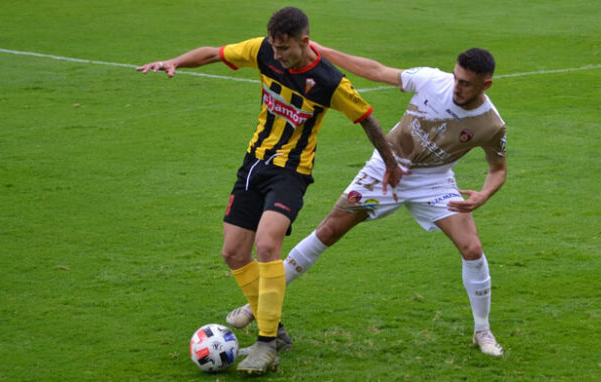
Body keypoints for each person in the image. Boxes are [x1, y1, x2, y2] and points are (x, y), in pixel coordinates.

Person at [136, 7, 403, 374]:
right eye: (274, 47)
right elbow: (215, 53)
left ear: (304, 42)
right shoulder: (262, 50)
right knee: (233, 252)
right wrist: (175, 62)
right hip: (254, 164)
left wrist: (391, 164)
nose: (276, 55)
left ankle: (265, 345)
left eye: (284, 49)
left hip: (291, 171)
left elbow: (366, 118)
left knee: (266, 244)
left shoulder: (328, 80)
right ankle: (275, 331)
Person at [227, 42, 508, 357]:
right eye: (457, 78)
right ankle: (259, 306)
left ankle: (482, 330)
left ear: (486, 84)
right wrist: (320, 51)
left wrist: (483, 195)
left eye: (466, 83)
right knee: (328, 231)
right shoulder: (432, 80)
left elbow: (498, 169)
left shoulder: (491, 124)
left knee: (472, 248)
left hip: (433, 183)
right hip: (385, 170)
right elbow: (375, 70)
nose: (457, 86)